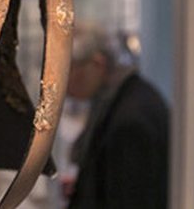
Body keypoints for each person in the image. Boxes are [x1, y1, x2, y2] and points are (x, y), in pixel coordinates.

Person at [64, 26, 169, 209]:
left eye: (68, 70)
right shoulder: (124, 99)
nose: (62, 83)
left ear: (97, 64)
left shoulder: (130, 119)